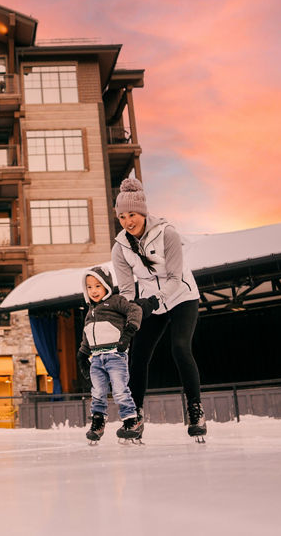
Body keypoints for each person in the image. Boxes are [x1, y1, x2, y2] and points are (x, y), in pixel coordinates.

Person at [111, 178, 207, 440]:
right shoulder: (120, 248)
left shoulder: (168, 234)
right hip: (150, 301)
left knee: (180, 347)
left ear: (143, 212)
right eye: (122, 217)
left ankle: (195, 410)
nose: (128, 221)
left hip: (182, 295)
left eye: (132, 214)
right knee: (138, 354)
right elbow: (127, 289)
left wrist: (154, 301)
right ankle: (134, 416)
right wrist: (127, 313)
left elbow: (175, 278)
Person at [76, 265, 143, 443]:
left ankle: (131, 420)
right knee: (97, 392)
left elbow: (135, 310)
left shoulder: (115, 301)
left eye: (98, 286)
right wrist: (82, 354)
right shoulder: (89, 312)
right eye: (89, 287)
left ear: (106, 285)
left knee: (120, 390)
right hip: (96, 358)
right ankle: (98, 422)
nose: (93, 291)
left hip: (115, 355)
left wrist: (128, 332)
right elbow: (87, 333)